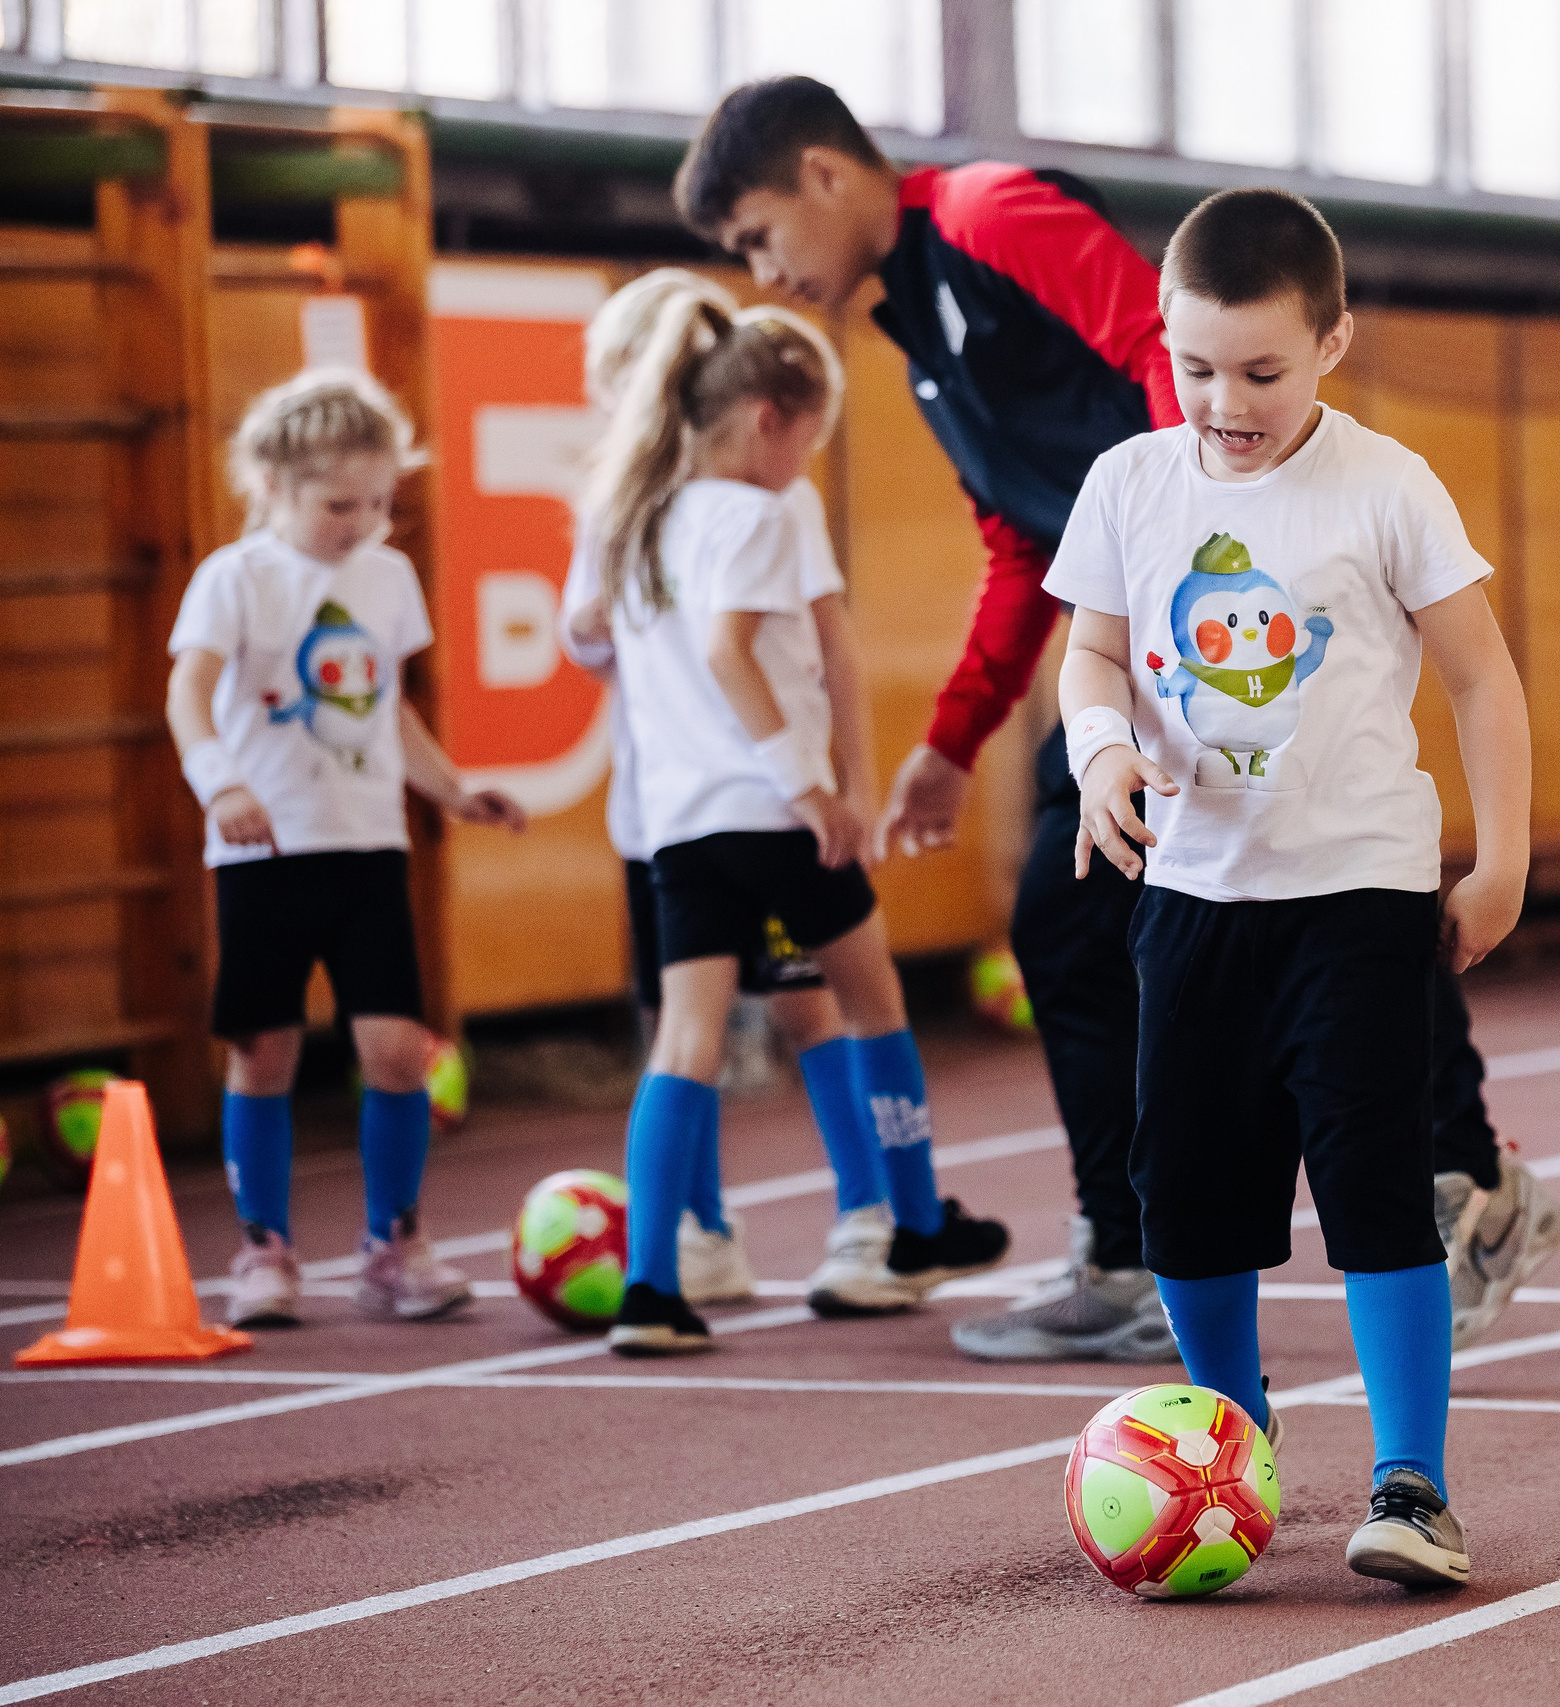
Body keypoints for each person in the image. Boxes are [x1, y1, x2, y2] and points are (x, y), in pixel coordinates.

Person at [671, 76, 1560, 1363]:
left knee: (1290, 875)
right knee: (1088, 907)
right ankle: (1150, 1241)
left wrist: (1206, 545)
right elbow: (1018, 541)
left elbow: (1156, 354)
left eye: (758, 236)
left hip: (1215, 615)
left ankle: (1437, 1184)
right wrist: (953, 736)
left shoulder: (988, 213)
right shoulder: (919, 329)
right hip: (1161, 636)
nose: (766, 272)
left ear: (822, 175)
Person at [1050, 189, 1532, 1588]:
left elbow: (1481, 676)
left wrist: (1498, 855)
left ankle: (1413, 1479)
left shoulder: (1386, 485)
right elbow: (1092, 656)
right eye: (1195, 367)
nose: (1224, 401)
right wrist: (1098, 751)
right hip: (1193, 899)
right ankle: (1228, 1440)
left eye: (1260, 371)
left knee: (1373, 1181)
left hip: (1360, 895)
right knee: (1184, 1195)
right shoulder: (1131, 483)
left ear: (1332, 343)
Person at [581, 294, 1007, 1355]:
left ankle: (649, 1285)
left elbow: (612, 645)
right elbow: (736, 653)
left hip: (678, 828)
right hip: (773, 815)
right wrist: (813, 784)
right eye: (811, 438)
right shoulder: (761, 515)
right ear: (771, 418)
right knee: (871, 1000)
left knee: (685, 1040)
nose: (807, 462)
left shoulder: (642, 517)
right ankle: (910, 1222)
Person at [559, 267, 902, 1314]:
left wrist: (846, 777)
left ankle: (870, 1215)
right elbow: (583, 629)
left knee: (805, 1001)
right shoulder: (624, 507)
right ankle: (698, 1235)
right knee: (683, 1016)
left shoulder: (770, 495)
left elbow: (823, 645)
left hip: (768, 799)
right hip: (666, 810)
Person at [166, 368, 528, 1329]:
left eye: (379, 501)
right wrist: (224, 785)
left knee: (398, 1051)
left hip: (367, 850)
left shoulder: (386, 575)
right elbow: (186, 698)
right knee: (264, 1050)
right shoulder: (233, 580)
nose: (364, 521)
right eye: (339, 503)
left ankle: (393, 1242)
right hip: (265, 854)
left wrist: (452, 788)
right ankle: (263, 1248)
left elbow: (384, 711)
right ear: (272, 484)